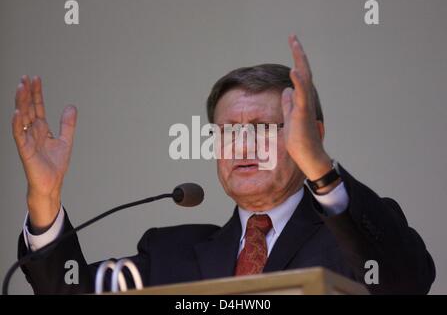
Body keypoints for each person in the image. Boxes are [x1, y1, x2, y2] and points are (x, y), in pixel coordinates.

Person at [12, 35, 435, 294]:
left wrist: (321, 170)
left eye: (264, 128)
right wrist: (44, 196)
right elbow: (70, 292)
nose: (243, 144)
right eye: (228, 130)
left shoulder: (350, 240)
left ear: (311, 137)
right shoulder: (168, 253)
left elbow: (405, 283)